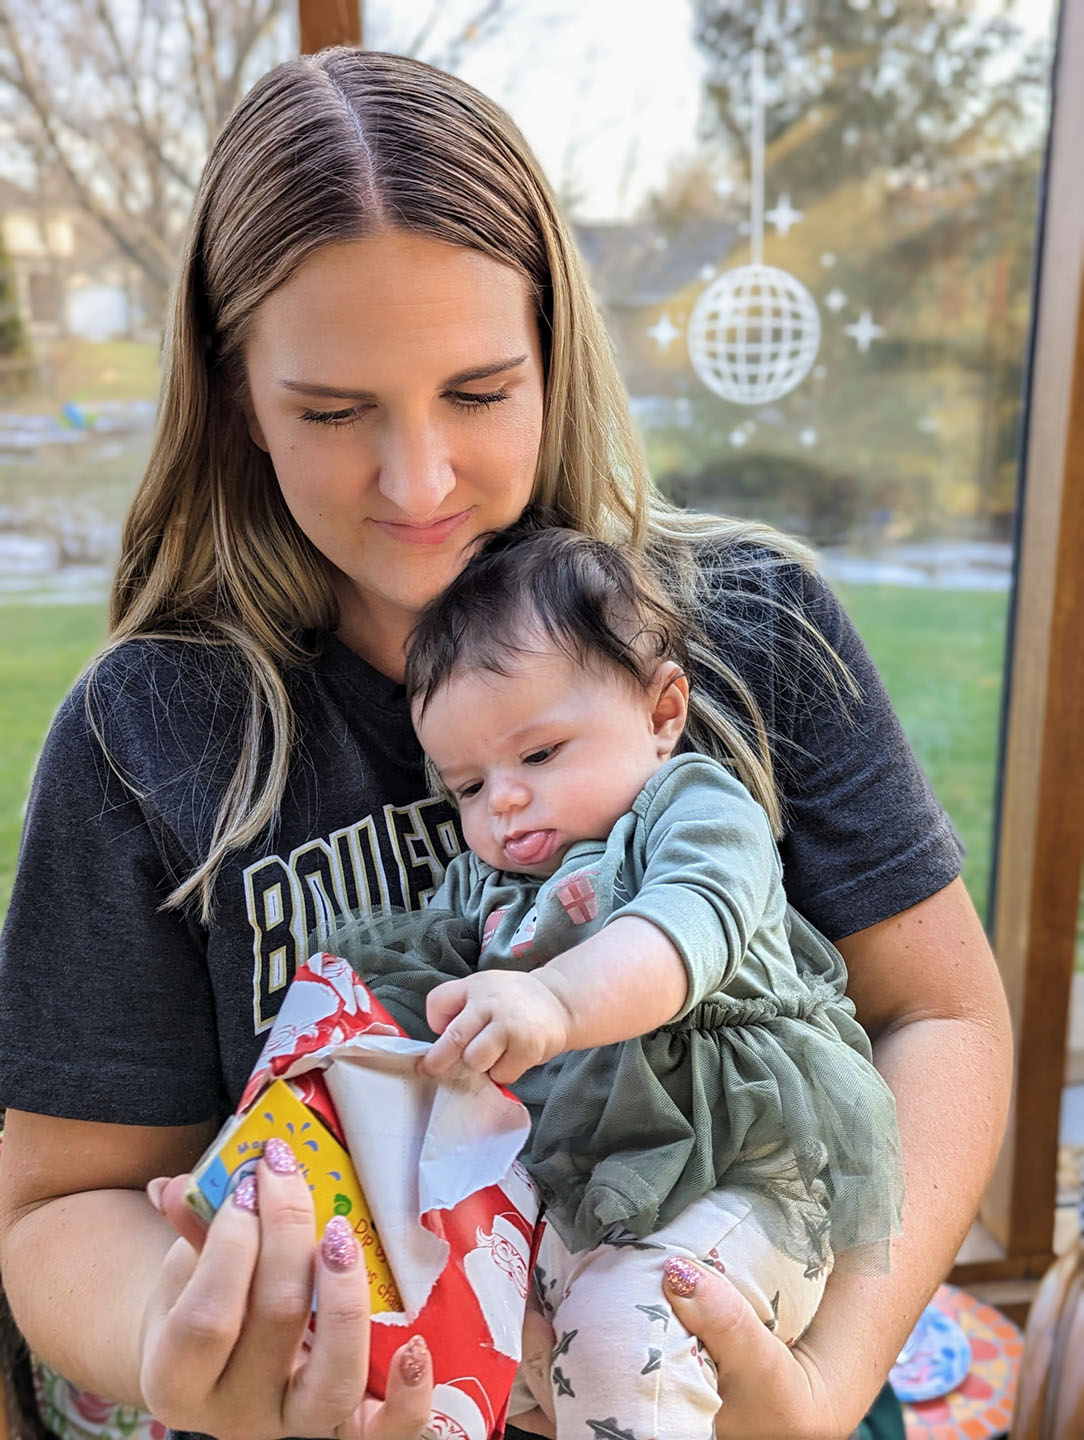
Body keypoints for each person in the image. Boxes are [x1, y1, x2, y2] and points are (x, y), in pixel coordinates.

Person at [0, 44, 1010, 1440]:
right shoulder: (147, 734)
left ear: (554, 353)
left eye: (478, 394)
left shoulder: (750, 631)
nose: (419, 482)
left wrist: (829, 1386)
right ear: (237, 399)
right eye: (332, 411)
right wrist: (181, 1343)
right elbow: (64, 1203)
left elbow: (942, 1017)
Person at [333, 517, 904, 1438]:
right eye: (467, 785)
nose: (503, 799)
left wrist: (553, 1000)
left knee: (617, 1334)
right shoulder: (482, 885)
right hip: (578, 1206)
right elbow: (413, 1002)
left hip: (739, 1177)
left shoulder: (690, 810)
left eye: (539, 754)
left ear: (662, 713)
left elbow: (689, 923)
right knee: (470, 1332)